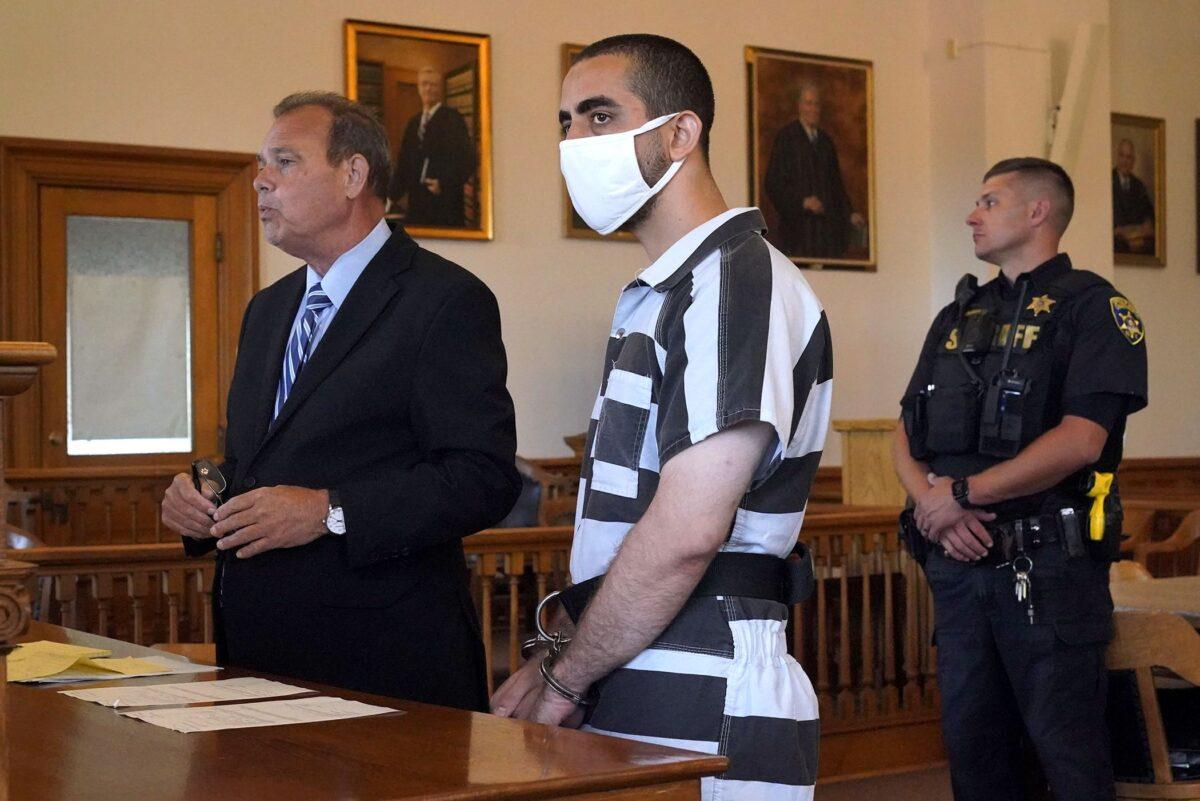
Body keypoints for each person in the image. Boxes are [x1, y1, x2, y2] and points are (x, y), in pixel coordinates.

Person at [492, 34, 831, 801]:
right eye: (567, 121)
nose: (576, 143)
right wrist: (573, 658)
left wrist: (566, 674)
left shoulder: (735, 278)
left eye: (601, 116)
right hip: (636, 657)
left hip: (705, 672)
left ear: (682, 132)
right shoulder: (668, 288)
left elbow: (685, 534)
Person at [160, 91, 519, 710]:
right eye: (260, 165)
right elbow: (263, 459)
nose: (260, 182)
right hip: (258, 659)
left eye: (284, 162)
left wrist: (330, 511)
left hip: (383, 666)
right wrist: (202, 498)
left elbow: (481, 477)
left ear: (353, 174)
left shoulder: (443, 299)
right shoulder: (268, 310)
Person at [892, 157, 1148, 800]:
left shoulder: (1094, 308)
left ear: (1038, 213)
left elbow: (1080, 440)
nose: (972, 215)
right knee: (976, 758)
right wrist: (932, 505)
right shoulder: (958, 315)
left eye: (990, 201)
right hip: (957, 566)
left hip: (1050, 573)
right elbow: (905, 427)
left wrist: (959, 498)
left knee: (1068, 762)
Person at [764, 81, 865, 259]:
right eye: (808, 103)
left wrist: (850, 213)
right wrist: (802, 202)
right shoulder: (787, 138)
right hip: (797, 232)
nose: (813, 109)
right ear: (800, 106)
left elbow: (836, 186)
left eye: (816, 104)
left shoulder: (826, 142)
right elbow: (774, 184)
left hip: (824, 234)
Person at [387, 66, 476, 227]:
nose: (428, 88)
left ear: (440, 88)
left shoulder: (453, 119)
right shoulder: (414, 123)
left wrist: (443, 184)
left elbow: (468, 160)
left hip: (445, 204)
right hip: (417, 204)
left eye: (433, 85)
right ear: (418, 88)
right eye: (424, 84)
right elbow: (404, 164)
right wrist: (390, 197)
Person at [1112, 138, 1155, 254]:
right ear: (1117, 157)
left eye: (1129, 157)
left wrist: (1146, 225)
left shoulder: (1139, 185)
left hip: (1135, 238)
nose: (1125, 161)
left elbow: (1149, 216)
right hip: (1115, 241)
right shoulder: (1107, 181)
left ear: (1133, 161)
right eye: (1122, 156)